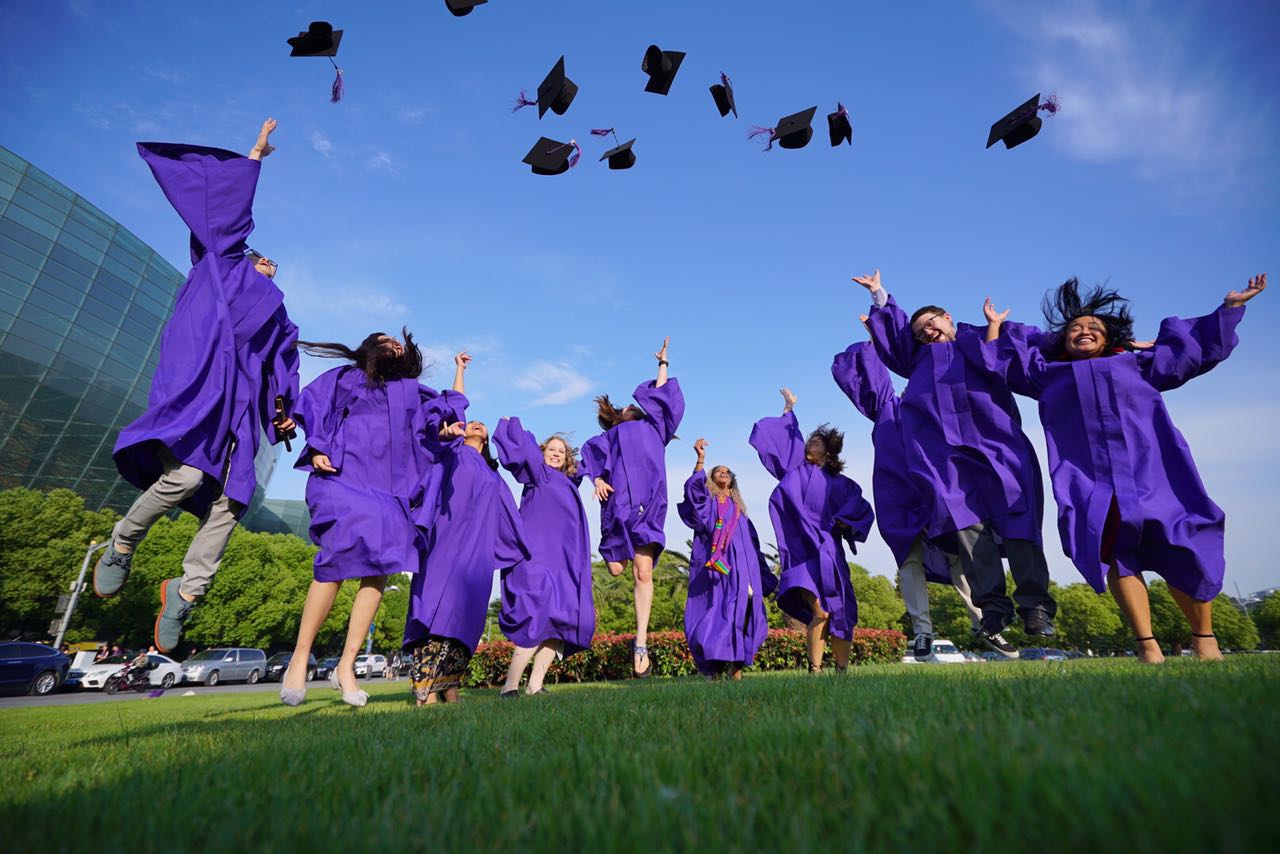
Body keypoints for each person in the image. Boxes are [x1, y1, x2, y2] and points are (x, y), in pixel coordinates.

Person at [969, 274, 1266, 661]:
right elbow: (1003, 365)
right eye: (1075, 328)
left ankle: (1204, 637)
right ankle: (1147, 646)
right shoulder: (1048, 375)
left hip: (1155, 473)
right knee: (1119, 553)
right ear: (1063, 341)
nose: (1084, 330)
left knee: (1183, 545)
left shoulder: (1139, 363)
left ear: (1109, 339)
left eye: (1094, 327)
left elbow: (1191, 352)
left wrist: (1229, 309)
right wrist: (993, 326)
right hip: (1092, 482)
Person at [94, 118, 300, 654]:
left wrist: (284, 411)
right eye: (261, 256)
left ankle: (185, 595)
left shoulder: (276, 311)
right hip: (199, 390)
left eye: (272, 263)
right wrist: (254, 157)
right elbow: (226, 219)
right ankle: (123, 541)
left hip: (237, 414)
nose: (270, 263)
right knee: (185, 479)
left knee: (231, 505)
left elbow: (284, 364)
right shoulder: (218, 267)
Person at [855, 269, 1053, 656]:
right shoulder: (918, 359)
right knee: (968, 529)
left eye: (930, 324)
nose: (927, 332)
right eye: (920, 331)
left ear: (947, 316)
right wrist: (879, 295)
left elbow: (1039, 348)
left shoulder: (982, 337)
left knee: (1019, 521)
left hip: (998, 445)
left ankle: (1036, 607)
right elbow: (893, 343)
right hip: (948, 459)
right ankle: (993, 610)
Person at [278, 334, 466, 708]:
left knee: (380, 568)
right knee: (334, 560)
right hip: (344, 475)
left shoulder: (411, 390)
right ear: (369, 349)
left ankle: (346, 666)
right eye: (385, 341)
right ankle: (300, 657)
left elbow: (443, 414)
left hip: (389, 489)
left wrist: (445, 427)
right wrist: (316, 447)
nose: (395, 345)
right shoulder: (347, 378)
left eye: (398, 342)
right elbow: (316, 409)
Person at [832, 334, 984, 660]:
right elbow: (868, 377)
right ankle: (922, 632)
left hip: (933, 488)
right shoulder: (888, 409)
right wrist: (875, 341)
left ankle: (984, 618)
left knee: (958, 552)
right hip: (897, 493)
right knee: (909, 559)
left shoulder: (932, 407)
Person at [404, 356, 530, 706]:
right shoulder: (452, 452)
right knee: (433, 606)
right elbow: (453, 408)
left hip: (475, 555)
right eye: (469, 422)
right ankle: (425, 690)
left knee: (465, 616)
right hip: (444, 541)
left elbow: (510, 520)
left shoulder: (494, 476)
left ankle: (450, 686)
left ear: (488, 438)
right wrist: (460, 370)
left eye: (481, 424)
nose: (474, 424)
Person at [578, 338, 684, 677]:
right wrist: (595, 479)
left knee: (643, 571)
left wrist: (663, 365)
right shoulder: (610, 437)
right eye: (627, 408)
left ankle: (641, 642)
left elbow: (662, 397)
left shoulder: (656, 428)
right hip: (619, 504)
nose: (633, 408)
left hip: (650, 502)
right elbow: (590, 457)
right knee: (616, 570)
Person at [750, 389, 874, 673]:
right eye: (810, 439)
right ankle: (815, 669)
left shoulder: (842, 484)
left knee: (839, 613)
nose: (811, 441)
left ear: (828, 451)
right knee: (819, 609)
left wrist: (845, 522)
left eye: (817, 440)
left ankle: (841, 670)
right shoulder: (794, 471)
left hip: (830, 553)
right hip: (801, 554)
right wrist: (787, 410)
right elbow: (782, 442)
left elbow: (860, 508)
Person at [493, 418, 594, 698]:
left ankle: (535, 685)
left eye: (561, 451)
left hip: (565, 564)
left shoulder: (569, 484)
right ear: (542, 453)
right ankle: (509, 686)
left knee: (559, 623)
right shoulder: (539, 473)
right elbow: (522, 450)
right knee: (536, 617)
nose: (556, 453)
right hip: (537, 560)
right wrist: (514, 426)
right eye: (552, 448)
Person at [677, 438, 776, 680]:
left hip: (744, 573)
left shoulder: (741, 514)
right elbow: (694, 495)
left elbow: (754, 547)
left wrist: (763, 577)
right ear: (711, 480)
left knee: (744, 614)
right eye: (718, 471)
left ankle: (738, 669)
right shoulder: (709, 505)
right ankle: (715, 670)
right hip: (717, 574)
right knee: (717, 616)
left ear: (733, 481)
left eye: (727, 471)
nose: (724, 472)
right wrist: (700, 460)